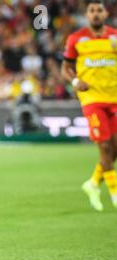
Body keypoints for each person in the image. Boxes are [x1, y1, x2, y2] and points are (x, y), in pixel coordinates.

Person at [61, 0, 117, 211]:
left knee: (113, 150)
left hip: (114, 98)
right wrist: (75, 82)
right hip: (91, 99)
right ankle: (114, 195)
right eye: (92, 11)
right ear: (86, 14)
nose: (95, 14)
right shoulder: (76, 38)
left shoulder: (114, 37)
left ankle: (93, 183)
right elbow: (65, 68)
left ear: (105, 13)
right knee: (103, 146)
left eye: (99, 10)